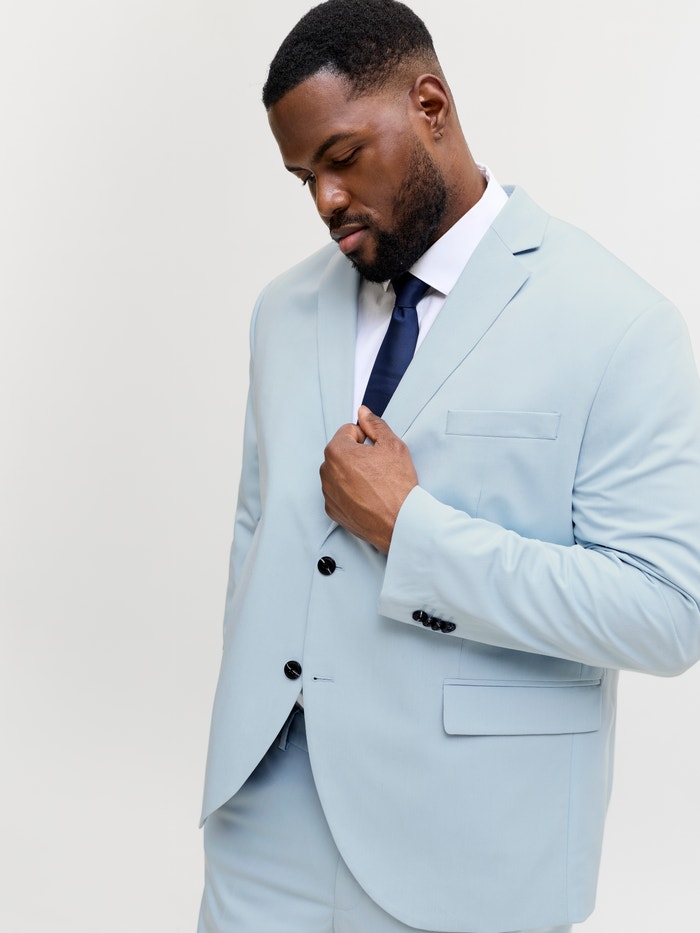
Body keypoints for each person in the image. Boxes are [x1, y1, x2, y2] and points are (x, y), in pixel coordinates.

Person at [197, 1, 700, 930]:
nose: (326, 201)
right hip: (263, 823)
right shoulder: (283, 308)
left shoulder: (619, 323)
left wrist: (414, 532)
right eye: (305, 177)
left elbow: (667, 612)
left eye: (344, 157)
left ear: (430, 105)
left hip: (473, 841)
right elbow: (257, 531)